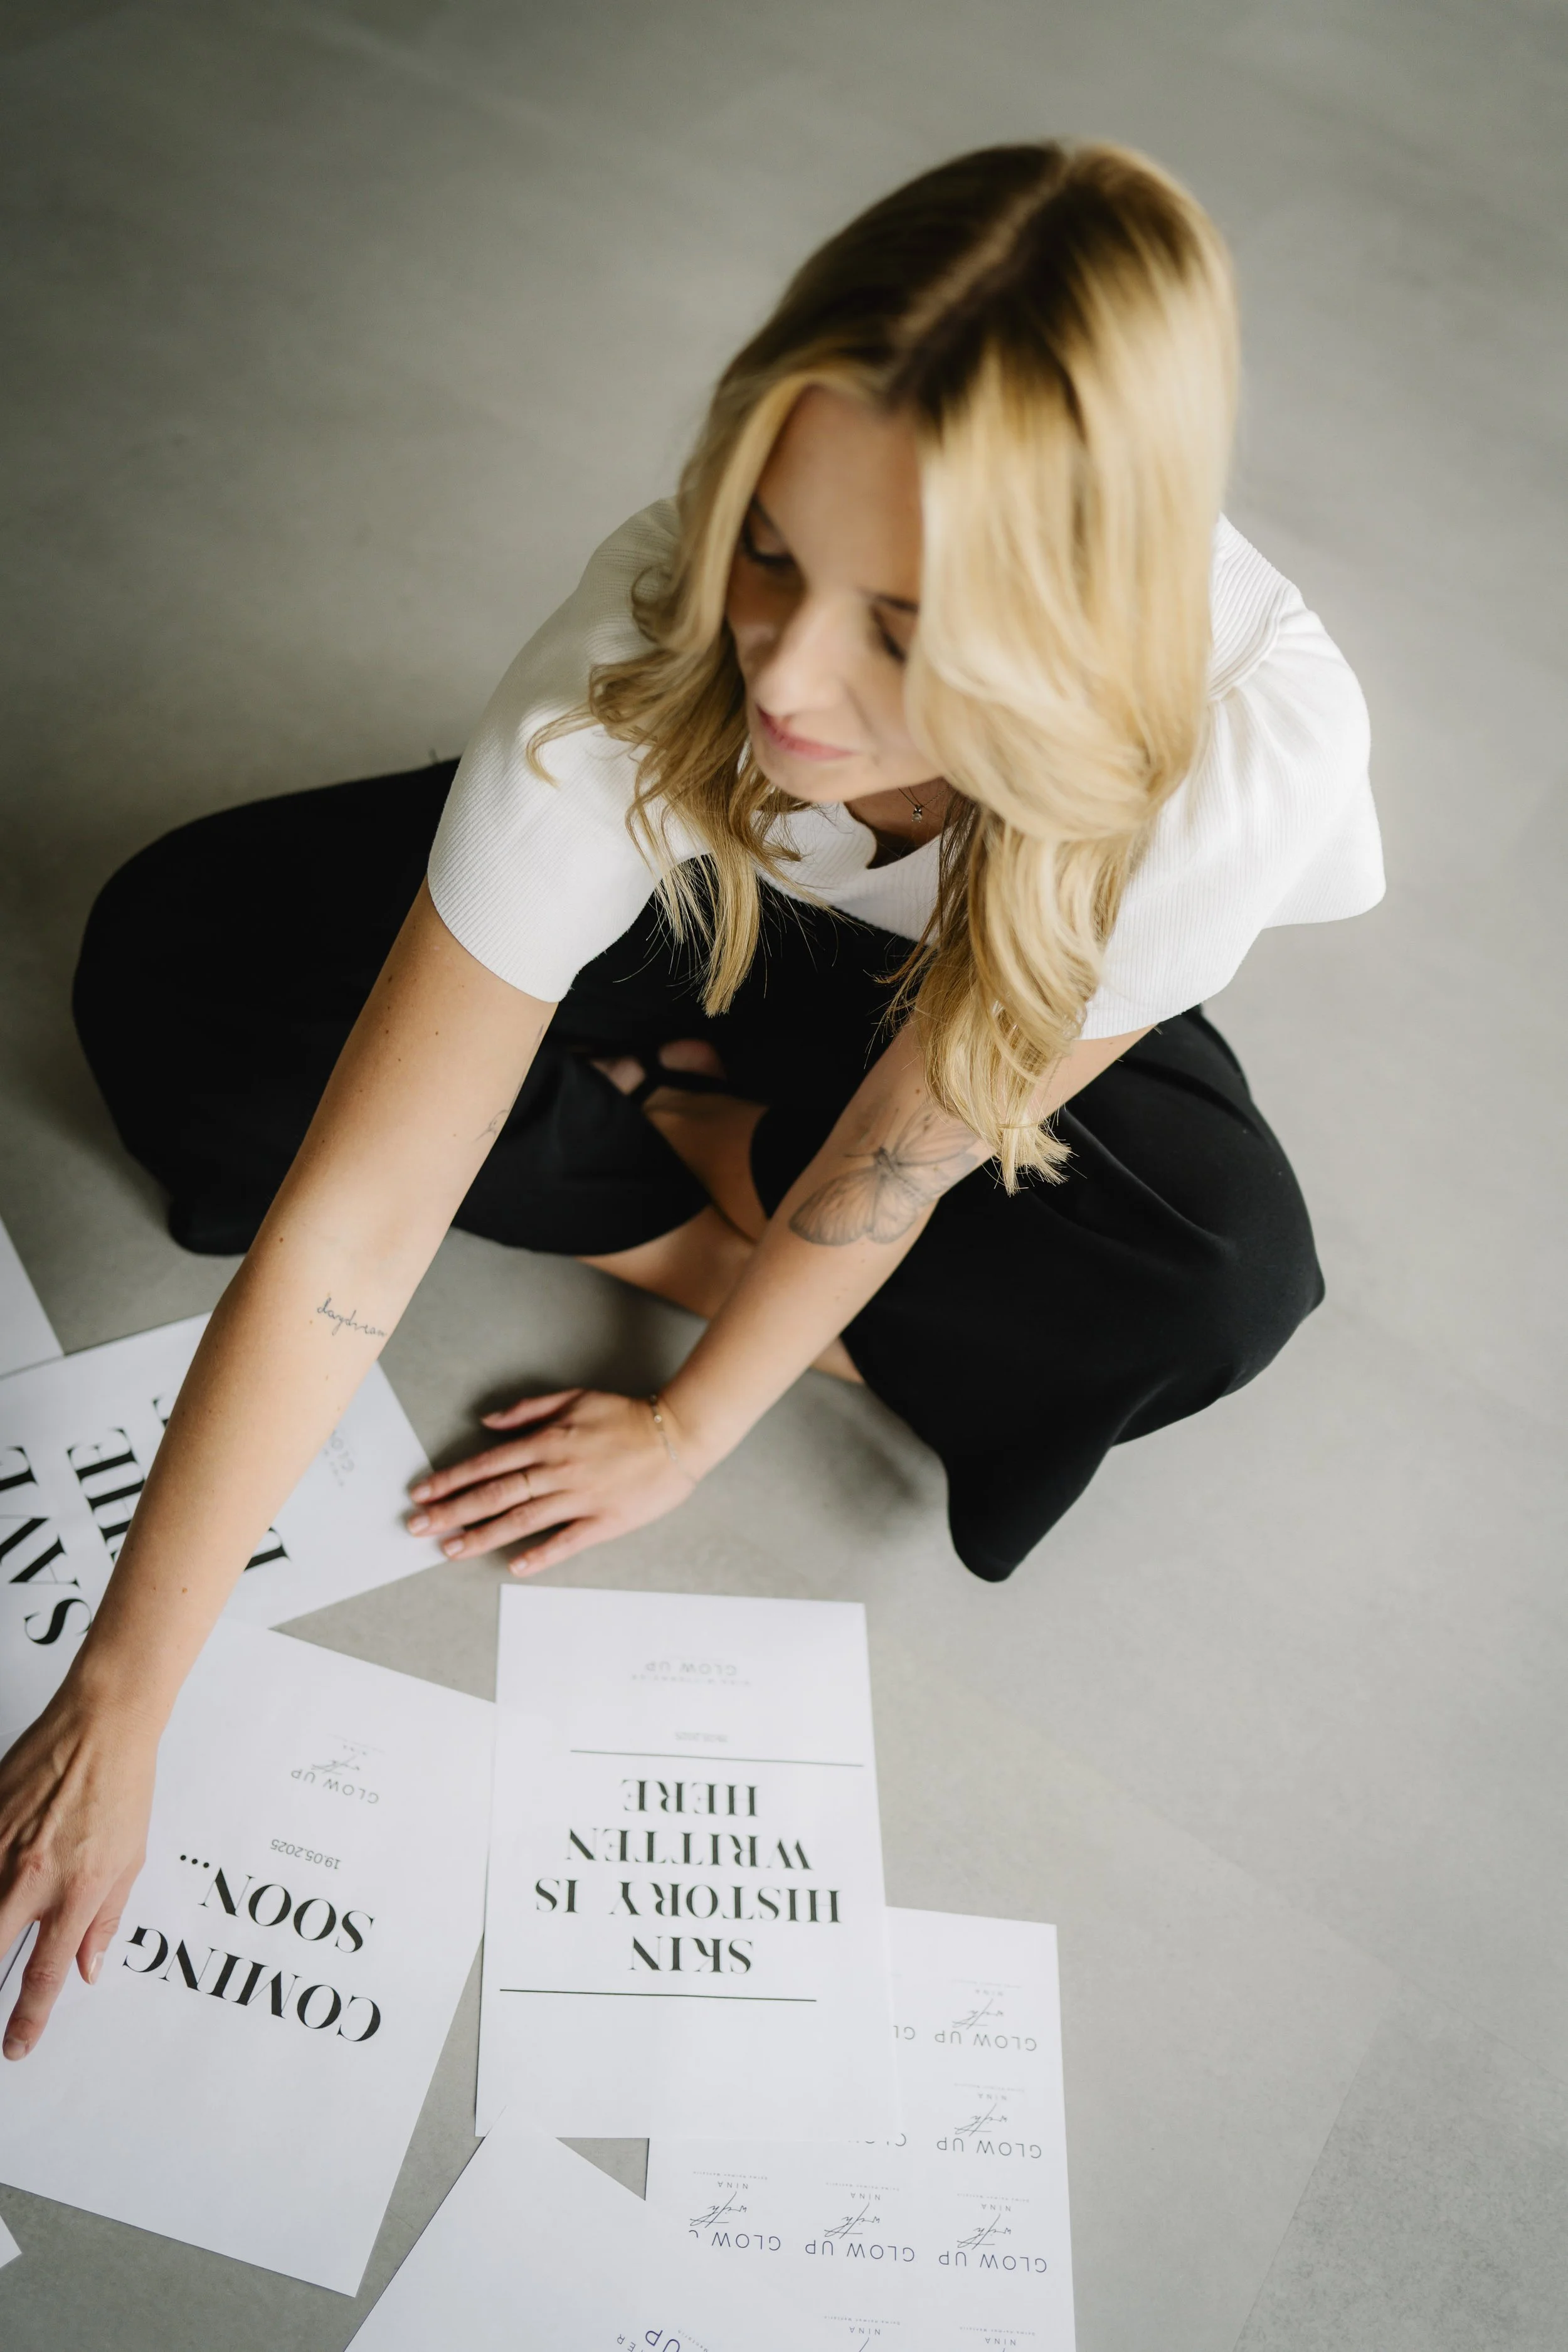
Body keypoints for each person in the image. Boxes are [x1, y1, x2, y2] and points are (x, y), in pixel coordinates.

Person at [0, 141, 1380, 2059]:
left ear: (1062, 633)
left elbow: (914, 1135)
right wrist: (120, 1700)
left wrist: (688, 1423)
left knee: (1214, 1279)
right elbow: (359, 1218)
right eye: (772, 549)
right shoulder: (658, 659)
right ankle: (698, 1163)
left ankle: (692, 1155)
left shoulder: (1231, 764)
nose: (792, 676)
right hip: (699, 889)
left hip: (942, 979)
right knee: (171, 961)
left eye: (903, 627)